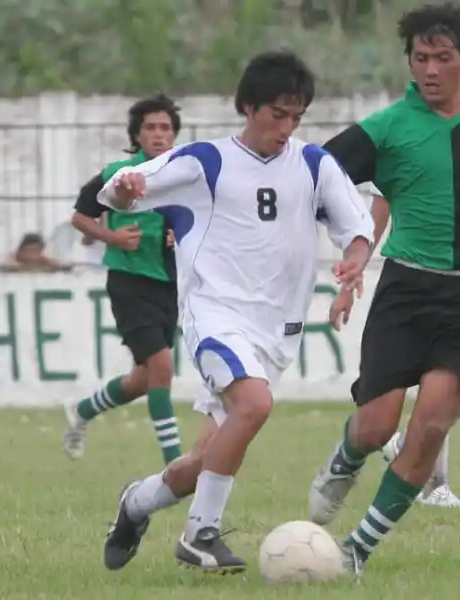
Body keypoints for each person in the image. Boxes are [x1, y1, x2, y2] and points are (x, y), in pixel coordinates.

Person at [97, 50, 374, 575]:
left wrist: (354, 263)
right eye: (277, 114)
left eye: (296, 116)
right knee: (254, 405)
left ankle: (135, 504)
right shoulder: (205, 161)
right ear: (249, 107)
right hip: (215, 315)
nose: (286, 127)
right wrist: (126, 187)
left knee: (205, 460)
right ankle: (200, 534)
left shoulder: (314, 164)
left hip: (275, 334)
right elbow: (120, 192)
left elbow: (356, 227)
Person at [308, 2, 460, 576]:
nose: (432, 69)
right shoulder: (388, 127)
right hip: (407, 291)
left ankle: (357, 551)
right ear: (409, 63)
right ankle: (346, 457)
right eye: (421, 58)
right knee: (376, 426)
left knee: (433, 420)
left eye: (444, 58)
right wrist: (356, 250)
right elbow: (315, 173)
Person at [369, 195, 460, 508]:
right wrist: (359, 257)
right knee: (442, 378)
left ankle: (409, 443)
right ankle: (434, 486)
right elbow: (381, 201)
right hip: (422, 280)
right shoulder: (409, 149)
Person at [62, 94, 184, 465]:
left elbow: (202, 217)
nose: (159, 134)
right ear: (137, 134)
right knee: (162, 366)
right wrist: (113, 238)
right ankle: (176, 467)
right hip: (129, 281)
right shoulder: (119, 173)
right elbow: (81, 217)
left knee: (144, 378)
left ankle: (83, 410)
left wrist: (182, 231)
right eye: (150, 128)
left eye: (165, 128)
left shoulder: (184, 173)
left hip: (170, 284)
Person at [0, 232, 71, 272]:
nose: (32, 255)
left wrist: (51, 263)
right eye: (29, 251)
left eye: (35, 251)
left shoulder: (44, 262)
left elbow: (66, 266)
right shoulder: (14, 262)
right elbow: (3, 267)